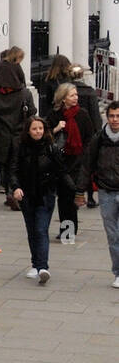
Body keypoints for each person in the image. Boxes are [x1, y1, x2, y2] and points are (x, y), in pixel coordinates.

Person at [8, 115, 66, 283]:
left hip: (46, 195)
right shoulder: (20, 148)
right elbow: (13, 170)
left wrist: (73, 192)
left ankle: (43, 267)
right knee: (32, 230)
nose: (38, 131)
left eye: (40, 128)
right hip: (27, 195)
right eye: (34, 129)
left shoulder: (51, 148)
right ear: (28, 131)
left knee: (41, 229)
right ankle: (35, 264)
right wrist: (16, 187)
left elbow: (61, 172)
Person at [47, 82, 96, 241]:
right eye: (72, 95)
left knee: (70, 197)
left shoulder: (82, 114)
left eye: (76, 95)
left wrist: (85, 156)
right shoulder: (54, 115)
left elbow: (90, 137)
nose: (76, 98)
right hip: (60, 162)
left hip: (78, 162)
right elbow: (44, 137)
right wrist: (56, 129)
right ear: (63, 98)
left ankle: (69, 231)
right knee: (63, 198)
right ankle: (66, 230)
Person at [85, 98, 119, 288]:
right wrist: (80, 191)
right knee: (113, 235)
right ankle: (118, 272)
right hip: (106, 191)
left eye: (118, 116)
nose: (114, 120)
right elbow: (88, 163)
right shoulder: (100, 138)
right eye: (111, 116)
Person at [0, 46, 29, 205]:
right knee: (16, 160)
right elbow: (31, 110)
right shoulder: (23, 94)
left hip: (1, 129)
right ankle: (15, 189)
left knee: (3, 160)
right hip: (18, 129)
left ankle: (6, 187)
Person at [69, 64, 103, 207]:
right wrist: (98, 132)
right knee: (88, 164)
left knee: (72, 163)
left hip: (71, 132)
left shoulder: (66, 91)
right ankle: (89, 196)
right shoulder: (89, 92)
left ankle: (72, 192)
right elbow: (95, 114)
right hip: (87, 132)